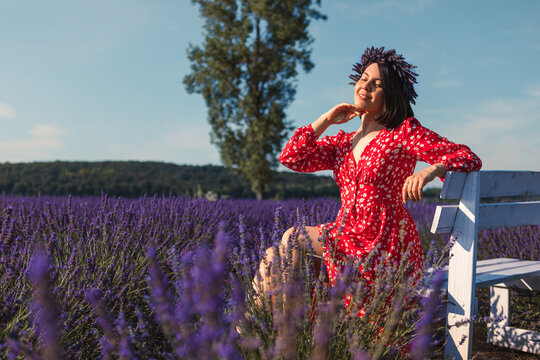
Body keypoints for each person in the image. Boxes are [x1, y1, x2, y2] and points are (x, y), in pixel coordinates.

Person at [253, 46, 482, 312]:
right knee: (272, 257)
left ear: (391, 95)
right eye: (363, 79)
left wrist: (432, 170)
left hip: (385, 241)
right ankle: (261, 336)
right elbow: (291, 157)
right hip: (345, 234)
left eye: (377, 84)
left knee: (293, 237)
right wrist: (326, 120)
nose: (365, 86)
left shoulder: (404, 134)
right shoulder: (342, 143)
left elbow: (468, 157)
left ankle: (278, 338)